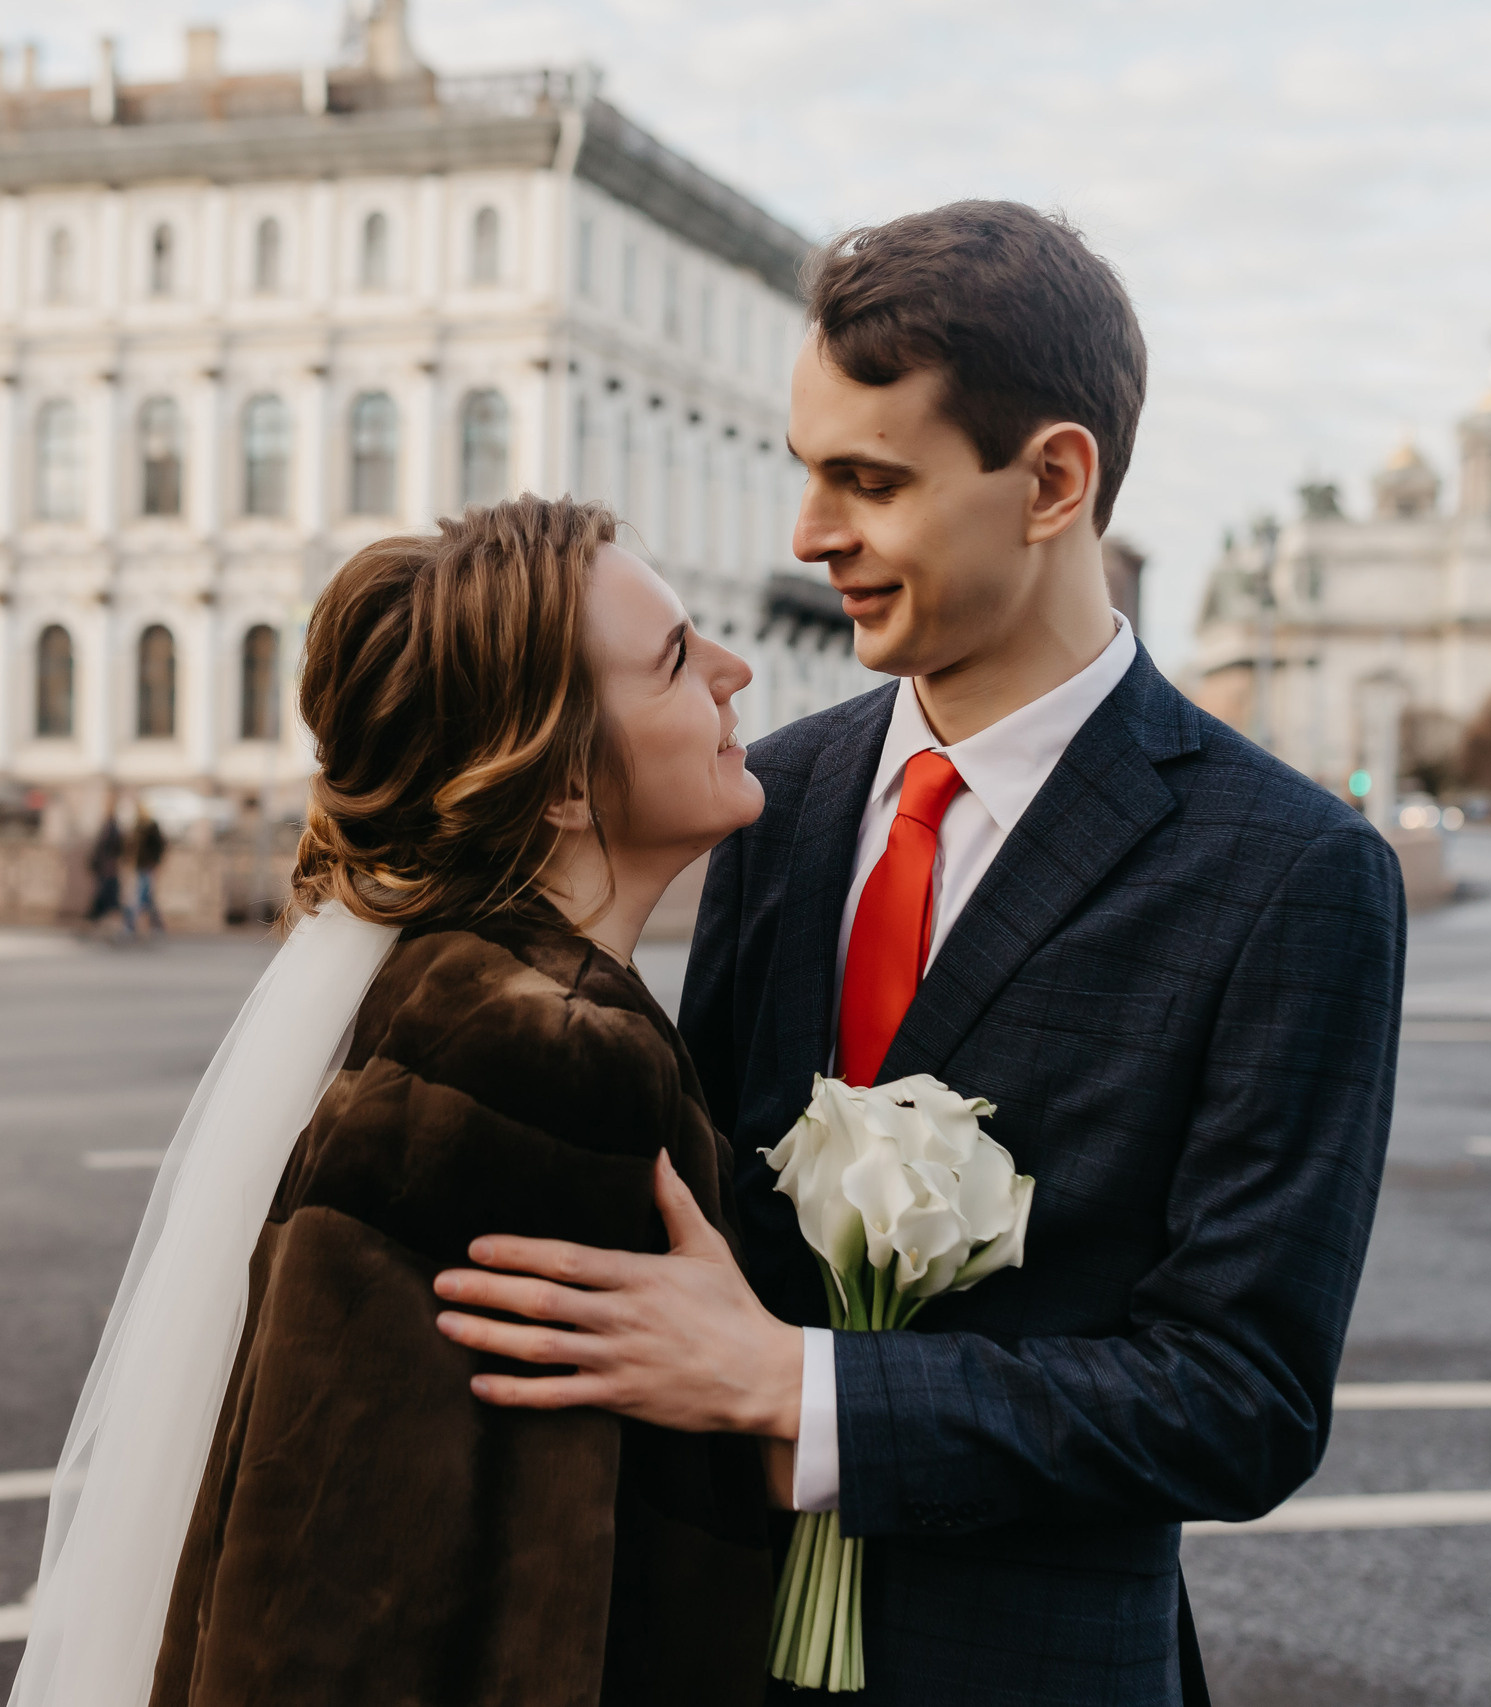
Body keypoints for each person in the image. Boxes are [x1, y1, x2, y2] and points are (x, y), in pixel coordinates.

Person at [430, 203, 1407, 1706]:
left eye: (868, 480)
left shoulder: (1293, 872)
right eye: (807, 471)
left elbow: (1242, 1399)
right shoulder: (774, 799)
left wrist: (797, 1384)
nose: (811, 533)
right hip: (707, 1649)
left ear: (1052, 481)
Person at [11, 498, 773, 1706]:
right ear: (564, 783)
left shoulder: (451, 988)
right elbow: (377, 1590)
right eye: (678, 660)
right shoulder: (547, 1056)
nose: (737, 672)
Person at [122, 810, 166, 939]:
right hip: (140, 866)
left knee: (140, 898)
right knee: (146, 898)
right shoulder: (138, 827)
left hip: (146, 867)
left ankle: (130, 926)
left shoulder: (150, 828)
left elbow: (159, 846)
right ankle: (156, 925)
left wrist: (154, 862)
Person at [83, 803, 125, 934]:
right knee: (107, 899)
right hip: (107, 868)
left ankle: (103, 925)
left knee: (106, 898)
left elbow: (110, 849)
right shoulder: (110, 829)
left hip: (108, 869)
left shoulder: (110, 829)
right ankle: (102, 925)